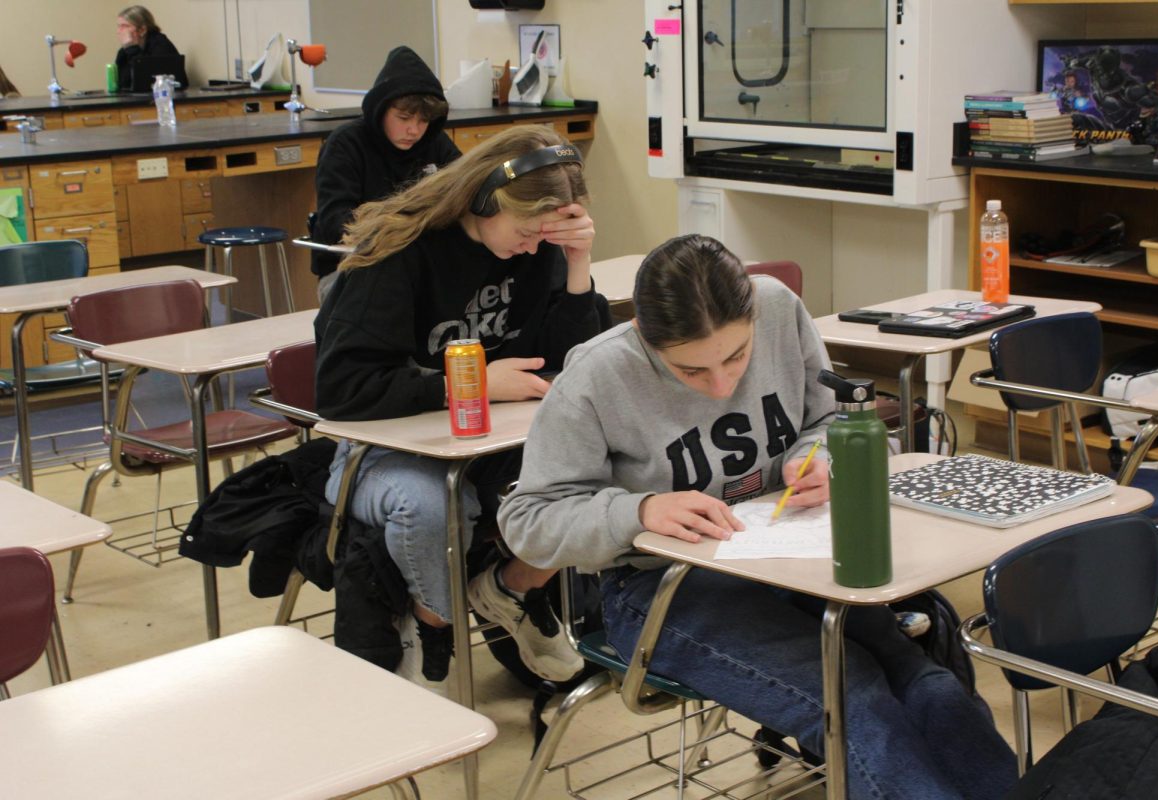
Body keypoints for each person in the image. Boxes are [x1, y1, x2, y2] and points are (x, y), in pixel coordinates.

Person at [498, 235, 1019, 800]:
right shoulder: (596, 376)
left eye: (736, 357)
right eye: (691, 371)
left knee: (927, 683)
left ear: (753, 315)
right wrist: (639, 510)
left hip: (785, 557)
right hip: (660, 589)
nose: (721, 385)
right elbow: (528, 519)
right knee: (850, 697)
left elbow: (826, 422)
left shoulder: (776, 307)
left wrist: (816, 459)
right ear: (646, 339)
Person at [315, 124, 606, 691]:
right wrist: (470, 384)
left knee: (610, 468)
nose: (529, 247)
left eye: (542, 238)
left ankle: (511, 590)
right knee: (433, 506)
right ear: (480, 198)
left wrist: (577, 263)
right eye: (525, 232)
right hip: (381, 449)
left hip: (491, 443)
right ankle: (434, 625)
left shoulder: (535, 250)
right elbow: (341, 388)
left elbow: (570, 361)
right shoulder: (398, 252)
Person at [311, 46, 461, 301]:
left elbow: (466, 189)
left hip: (425, 266)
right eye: (403, 118)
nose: (414, 130)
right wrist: (401, 231)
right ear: (381, 110)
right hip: (352, 268)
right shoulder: (345, 145)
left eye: (423, 121)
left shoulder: (436, 144)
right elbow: (338, 221)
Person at [114, 5, 186, 91]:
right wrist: (130, 49)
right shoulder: (124, 51)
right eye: (118, 26)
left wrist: (132, 50)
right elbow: (122, 84)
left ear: (142, 30)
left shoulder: (160, 45)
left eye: (125, 26)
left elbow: (146, 82)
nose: (119, 31)